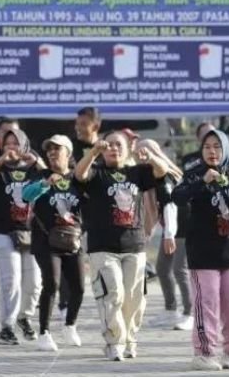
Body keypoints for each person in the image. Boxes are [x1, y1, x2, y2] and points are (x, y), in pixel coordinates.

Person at [75, 130, 168, 361]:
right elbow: (79, 175)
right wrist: (93, 153)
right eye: (109, 145)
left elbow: (161, 172)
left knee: (134, 299)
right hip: (102, 247)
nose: (114, 148)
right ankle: (114, 341)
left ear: (127, 150)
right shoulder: (96, 172)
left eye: (119, 145)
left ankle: (129, 339)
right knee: (113, 294)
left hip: (134, 246)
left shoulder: (137, 172)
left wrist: (150, 157)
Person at [172, 128, 229, 371]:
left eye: (217, 146)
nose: (212, 151)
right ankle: (204, 352)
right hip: (202, 253)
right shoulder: (194, 173)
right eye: (207, 146)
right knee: (207, 302)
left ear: (226, 149)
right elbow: (178, 197)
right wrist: (202, 182)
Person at [0, 127, 44, 345]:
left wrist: (37, 162)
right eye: (7, 144)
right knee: (11, 280)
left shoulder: (34, 167)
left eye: (16, 143)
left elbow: (53, 180)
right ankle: (6, 327)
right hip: (0, 230)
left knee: (34, 282)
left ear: (25, 146)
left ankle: (24, 317)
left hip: (29, 231)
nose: (11, 147)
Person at [22, 134, 85, 351]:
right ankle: (44, 332)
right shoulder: (41, 175)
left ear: (68, 153)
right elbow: (25, 195)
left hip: (73, 239)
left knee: (79, 287)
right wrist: (44, 184)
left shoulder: (78, 178)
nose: (52, 153)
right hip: (46, 240)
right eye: (49, 150)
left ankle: (70, 326)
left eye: (57, 149)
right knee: (52, 283)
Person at [139, 138, 191, 331]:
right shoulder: (148, 174)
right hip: (171, 226)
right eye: (137, 151)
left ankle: (191, 313)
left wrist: (169, 234)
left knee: (179, 269)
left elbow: (170, 205)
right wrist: (148, 232)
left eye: (145, 151)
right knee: (162, 267)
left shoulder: (164, 174)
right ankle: (171, 310)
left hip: (182, 224)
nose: (141, 155)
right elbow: (153, 209)